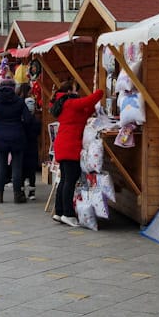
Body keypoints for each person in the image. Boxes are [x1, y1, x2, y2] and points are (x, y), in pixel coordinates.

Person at [51, 80, 104, 227]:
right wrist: (101, 91)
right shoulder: (70, 103)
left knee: (64, 179)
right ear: (69, 91)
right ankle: (68, 214)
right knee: (70, 180)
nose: (77, 92)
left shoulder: (63, 104)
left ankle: (59, 211)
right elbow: (89, 100)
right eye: (75, 89)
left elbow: (84, 110)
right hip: (70, 145)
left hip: (63, 144)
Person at [0, 78, 32, 203]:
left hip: (1, 136)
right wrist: (22, 129)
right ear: (14, 87)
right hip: (17, 136)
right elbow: (28, 119)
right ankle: (18, 195)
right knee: (17, 167)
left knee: (1, 166)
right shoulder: (19, 101)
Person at [19, 82, 41, 200]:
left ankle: (21, 190)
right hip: (33, 147)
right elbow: (38, 132)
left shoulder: (21, 121)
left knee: (22, 169)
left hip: (22, 147)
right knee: (32, 170)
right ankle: (32, 192)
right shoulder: (36, 121)